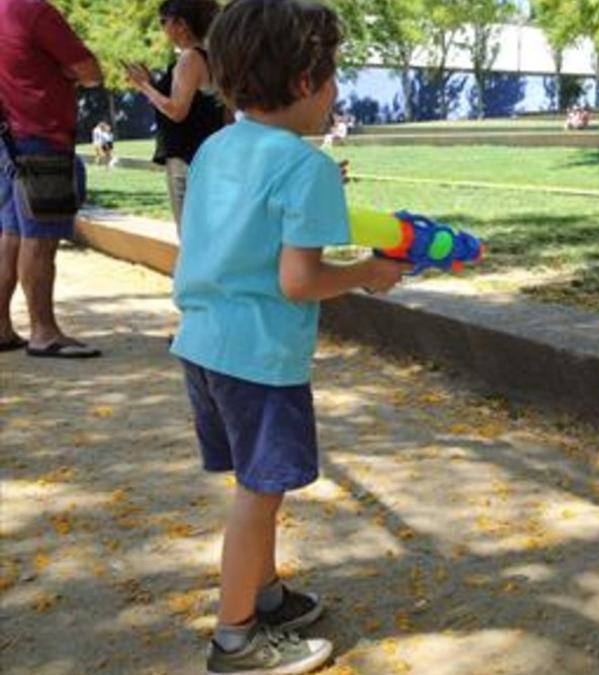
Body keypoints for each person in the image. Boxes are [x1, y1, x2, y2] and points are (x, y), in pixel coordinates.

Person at [171, 1, 407, 672]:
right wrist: (367, 272)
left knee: (253, 483)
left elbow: (240, 233)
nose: (335, 91)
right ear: (306, 82)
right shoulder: (303, 166)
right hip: (258, 359)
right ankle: (235, 637)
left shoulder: (217, 146)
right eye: (331, 75)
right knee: (259, 493)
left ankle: (266, 594)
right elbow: (299, 280)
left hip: (202, 344)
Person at [0, 0, 103, 358]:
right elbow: (90, 71)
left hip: (9, 138)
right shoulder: (34, 11)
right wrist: (63, 71)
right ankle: (43, 331)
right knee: (40, 239)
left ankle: (1, 325)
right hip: (43, 136)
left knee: (12, 233)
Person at [124, 0, 226, 228]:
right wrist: (151, 84)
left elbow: (177, 111)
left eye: (164, 21)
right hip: (208, 156)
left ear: (182, 24)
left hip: (187, 159)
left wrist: (143, 86)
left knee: (191, 237)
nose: (161, 27)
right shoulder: (211, 57)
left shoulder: (189, 59)